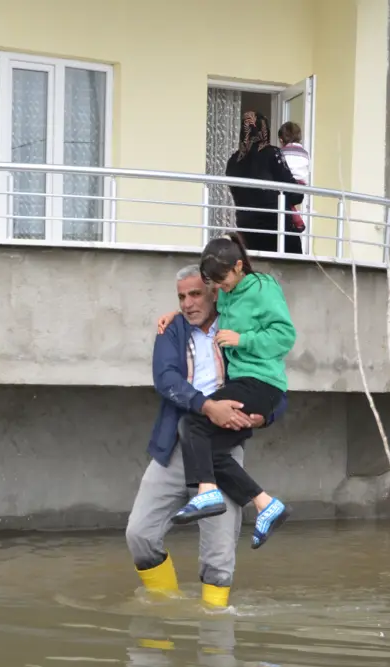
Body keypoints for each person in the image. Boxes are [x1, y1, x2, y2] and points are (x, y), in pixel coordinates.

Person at [125, 264, 288, 608]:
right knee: (140, 534)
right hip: (173, 448)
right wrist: (206, 406)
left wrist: (263, 418)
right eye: (181, 296)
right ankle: (164, 610)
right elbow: (165, 379)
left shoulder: (241, 327)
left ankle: (215, 639)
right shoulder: (171, 330)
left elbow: (275, 386)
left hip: (221, 453)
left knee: (219, 557)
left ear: (216, 292)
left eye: (195, 293)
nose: (187, 303)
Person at [156, 234, 295, 549]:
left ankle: (207, 493)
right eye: (214, 283)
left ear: (238, 266)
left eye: (223, 280)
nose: (220, 287)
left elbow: (285, 335)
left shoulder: (262, 288)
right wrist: (175, 314)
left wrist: (242, 340)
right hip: (244, 382)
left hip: (261, 381)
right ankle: (265, 504)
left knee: (192, 423)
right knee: (209, 447)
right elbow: (203, 305)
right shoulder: (226, 290)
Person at [225, 111, 304, 254]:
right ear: (264, 130)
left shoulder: (233, 160)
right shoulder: (271, 153)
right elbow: (296, 195)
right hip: (277, 231)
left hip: (247, 231)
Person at [278, 121, 310, 233]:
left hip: (289, 185)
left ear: (281, 140)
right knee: (288, 203)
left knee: (279, 197)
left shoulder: (282, 152)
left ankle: (298, 222)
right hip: (301, 188)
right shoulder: (305, 153)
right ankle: (297, 222)